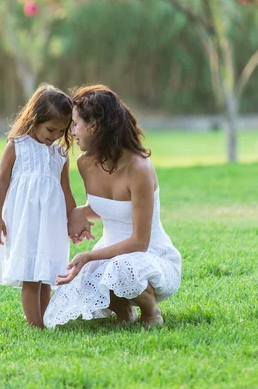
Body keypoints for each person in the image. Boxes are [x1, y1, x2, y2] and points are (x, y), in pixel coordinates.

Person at [43, 85, 182, 328]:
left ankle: (151, 312)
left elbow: (140, 241)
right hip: (111, 249)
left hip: (149, 255)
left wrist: (88, 255)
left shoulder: (139, 168)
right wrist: (79, 213)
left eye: (75, 124)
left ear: (94, 124)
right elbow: (104, 207)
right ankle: (123, 312)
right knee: (84, 280)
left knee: (119, 268)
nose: (72, 132)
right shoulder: (85, 163)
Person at [0, 83, 92, 328]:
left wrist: (74, 219)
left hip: (51, 222)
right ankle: (36, 325)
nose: (55, 134)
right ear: (34, 118)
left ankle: (45, 319)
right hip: (25, 222)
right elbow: (1, 182)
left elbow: (65, 190)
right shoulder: (17, 146)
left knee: (47, 276)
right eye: (51, 128)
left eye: (61, 130)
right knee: (31, 277)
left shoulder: (60, 155)